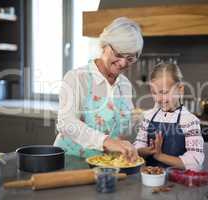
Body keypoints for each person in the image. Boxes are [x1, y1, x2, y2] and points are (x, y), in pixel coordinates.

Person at [54, 17, 144, 162]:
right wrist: (107, 141)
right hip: (72, 162)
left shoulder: (125, 84)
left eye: (130, 58)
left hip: (107, 166)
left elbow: (123, 129)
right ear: (104, 46)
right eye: (119, 54)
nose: (123, 63)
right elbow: (66, 122)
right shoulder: (77, 78)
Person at [134, 63, 204, 170]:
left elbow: (195, 163)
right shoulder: (148, 117)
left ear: (180, 89)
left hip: (179, 183)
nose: (159, 99)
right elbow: (137, 146)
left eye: (164, 92)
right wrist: (146, 151)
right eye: (154, 93)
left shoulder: (189, 121)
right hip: (150, 181)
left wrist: (160, 156)